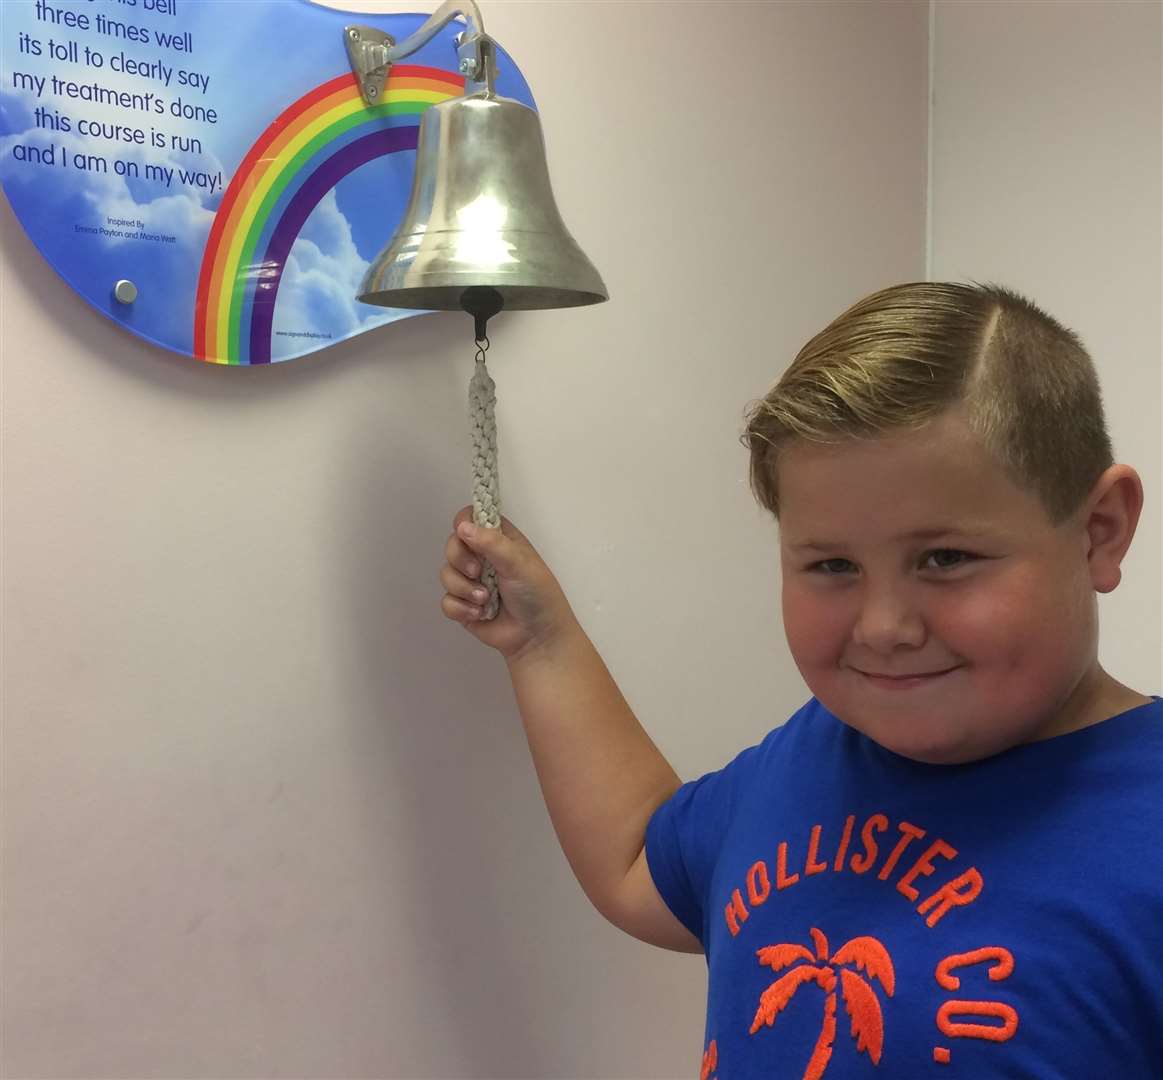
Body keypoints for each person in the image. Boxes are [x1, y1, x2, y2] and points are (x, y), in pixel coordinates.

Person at [438, 281, 1161, 1078]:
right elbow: (639, 866)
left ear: (1099, 531)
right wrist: (540, 642)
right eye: (832, 566)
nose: (883, 627)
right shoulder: (811, 756)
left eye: (945, 558)